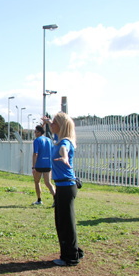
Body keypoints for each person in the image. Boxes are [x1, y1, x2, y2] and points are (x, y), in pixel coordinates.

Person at [43, 113, 83, 267]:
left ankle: (71, 257)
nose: (51, 124)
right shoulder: (58, 140)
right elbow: (57, 141)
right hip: (63, 187)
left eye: (53, 122)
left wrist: (65, 157)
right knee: (62, 222)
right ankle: (72, 251)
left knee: (66, 223)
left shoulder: (65, 142)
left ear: (60, 125)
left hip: (66, 187)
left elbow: (63, 150)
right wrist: (47, 123)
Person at [32, 125, 55, 206]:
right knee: (48, 183)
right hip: (48, 164)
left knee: (37, 181)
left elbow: (35, 153)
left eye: (35, 131)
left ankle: (39, 199)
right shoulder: (49, 140)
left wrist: (33, 166)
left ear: (39, 132)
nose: (34, 133)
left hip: (39, 164)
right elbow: (52, 152)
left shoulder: (37, 141)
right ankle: (56, 199)